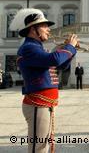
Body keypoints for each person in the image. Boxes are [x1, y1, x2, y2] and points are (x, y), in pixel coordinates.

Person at [10, 8, 77, 153]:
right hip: (37, 104)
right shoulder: (29, 48)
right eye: (44, 26)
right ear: (33, 29)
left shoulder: (37, 48)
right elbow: (55, 59)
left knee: (44, 147)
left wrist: (71, 51)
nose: (48, 29)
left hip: (44, 105)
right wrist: (69, 47)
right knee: (38, 148)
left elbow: (61, 65)